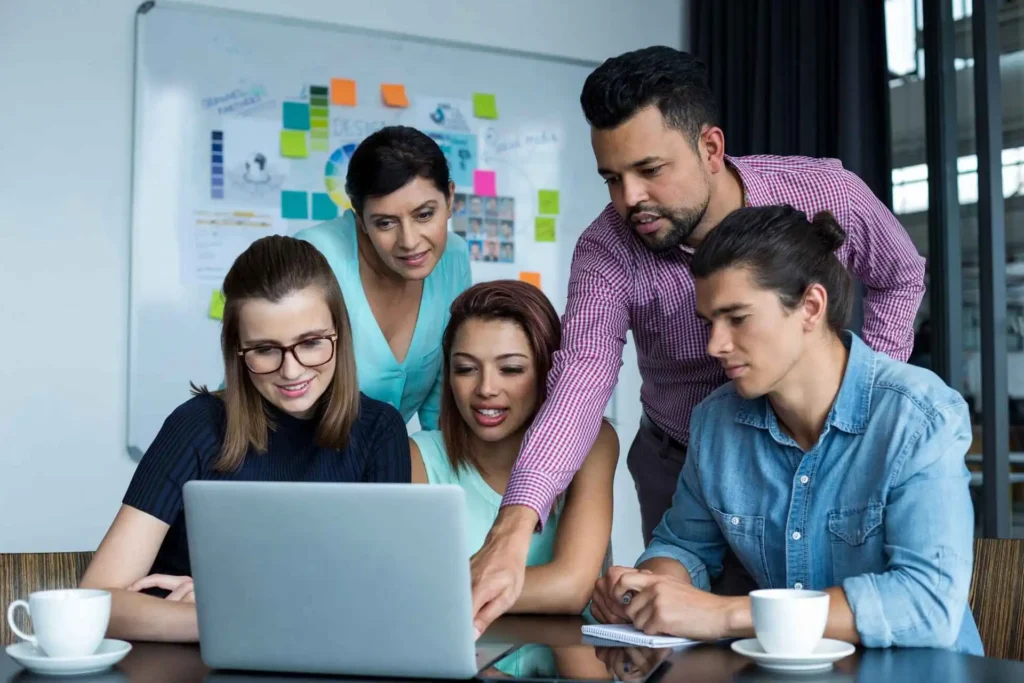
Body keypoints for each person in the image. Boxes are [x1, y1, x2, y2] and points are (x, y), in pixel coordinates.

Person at [468, 46, 927, 633]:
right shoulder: (607, 248)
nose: (629, 198)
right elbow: (581, 382)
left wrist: (858, 401)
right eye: (612, 178)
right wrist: (514, 526)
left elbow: (900, 273)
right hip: (686, 462)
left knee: (825, 630)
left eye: (650, 170)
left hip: (820, 454)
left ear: (710, 148)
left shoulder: (821, 192)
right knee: (684, 638)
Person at [590, 205, 982, 654]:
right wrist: (649, 590)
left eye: (737, 318)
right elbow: (684, 545)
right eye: (709, 322)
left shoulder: (917, 416)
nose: (715, 345)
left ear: (811, 307)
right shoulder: (716, 423)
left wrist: (724, 614)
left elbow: (926, 604)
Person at [79, 237, 411, 642]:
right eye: (265, 349)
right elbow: (96, 601)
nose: (291, 371)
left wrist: (239, 607)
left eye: (310, 343)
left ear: (339, 334)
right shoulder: (196, 426)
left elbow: (384, 595)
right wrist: (220, 620)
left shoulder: (380, 430)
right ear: (236, 351)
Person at [410, 281, 618, 620]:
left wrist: (440, 590)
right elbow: (410, 587)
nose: (486, 389)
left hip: (568, 667)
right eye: (465, 369)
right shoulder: (418, 456)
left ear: (548, 373)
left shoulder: (593, 442)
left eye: (511, 369)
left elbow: (570, 588)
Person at [294, 126, 471, 430]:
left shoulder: (452, 258)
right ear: (360, 218)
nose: (410, 241)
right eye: (386, 223)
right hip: (295, 463)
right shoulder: (315, 257)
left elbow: (441, 412)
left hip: (386, 466)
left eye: (424, 215)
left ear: (450, 197)